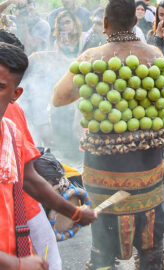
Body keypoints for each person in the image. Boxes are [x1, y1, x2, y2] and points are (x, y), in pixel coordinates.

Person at [53, 0, 164, 269]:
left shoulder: (91, 58)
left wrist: (96, 86)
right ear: (135, 22)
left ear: (105, 23)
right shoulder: (155, 56)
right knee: (151, 232)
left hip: (104, 166)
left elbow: (58, 98)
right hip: (147, 163)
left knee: (102, 242)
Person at [0, 42, 97, 266]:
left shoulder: (10, 131)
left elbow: (30, 179)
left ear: (16, 94)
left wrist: (74, 213)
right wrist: (17, 264)